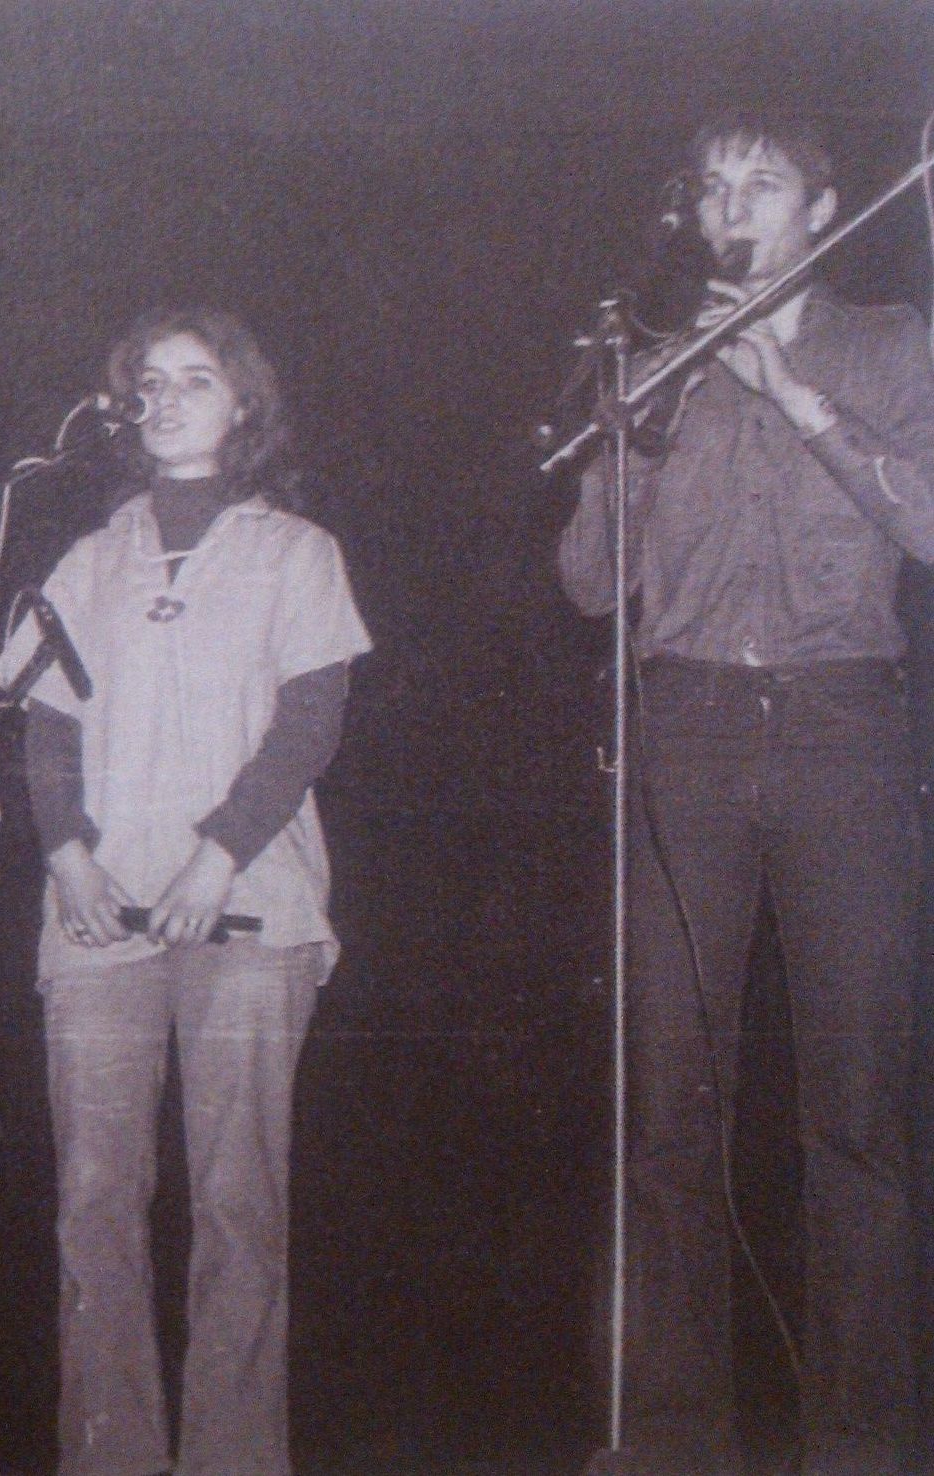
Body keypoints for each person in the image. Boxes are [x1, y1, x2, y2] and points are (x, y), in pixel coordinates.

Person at [557, 112, 934, 1474]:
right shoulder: (647, 360)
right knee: (670, 1111)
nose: (729, 205)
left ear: (821, 208)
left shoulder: (891, 340)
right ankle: (671, 1444)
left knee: (857, 1109)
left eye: (760, 182)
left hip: (841, 720)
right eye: (711, 184)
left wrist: (797, 396)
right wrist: (632, 437)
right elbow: (587, 587)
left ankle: (864, 1445)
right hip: (691, 725)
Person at [0, 306, 368, 1476]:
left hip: (249, 910)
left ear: (243, 404)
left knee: (238, 1206)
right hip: (98, 917)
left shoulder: (297, 551)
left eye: (193, 380)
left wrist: (220, 854)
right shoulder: (86, 559)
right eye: (147, 383)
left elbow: (309, 722)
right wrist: (66, 855)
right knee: (94, 1203)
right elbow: (44, 726)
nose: (163, 400)